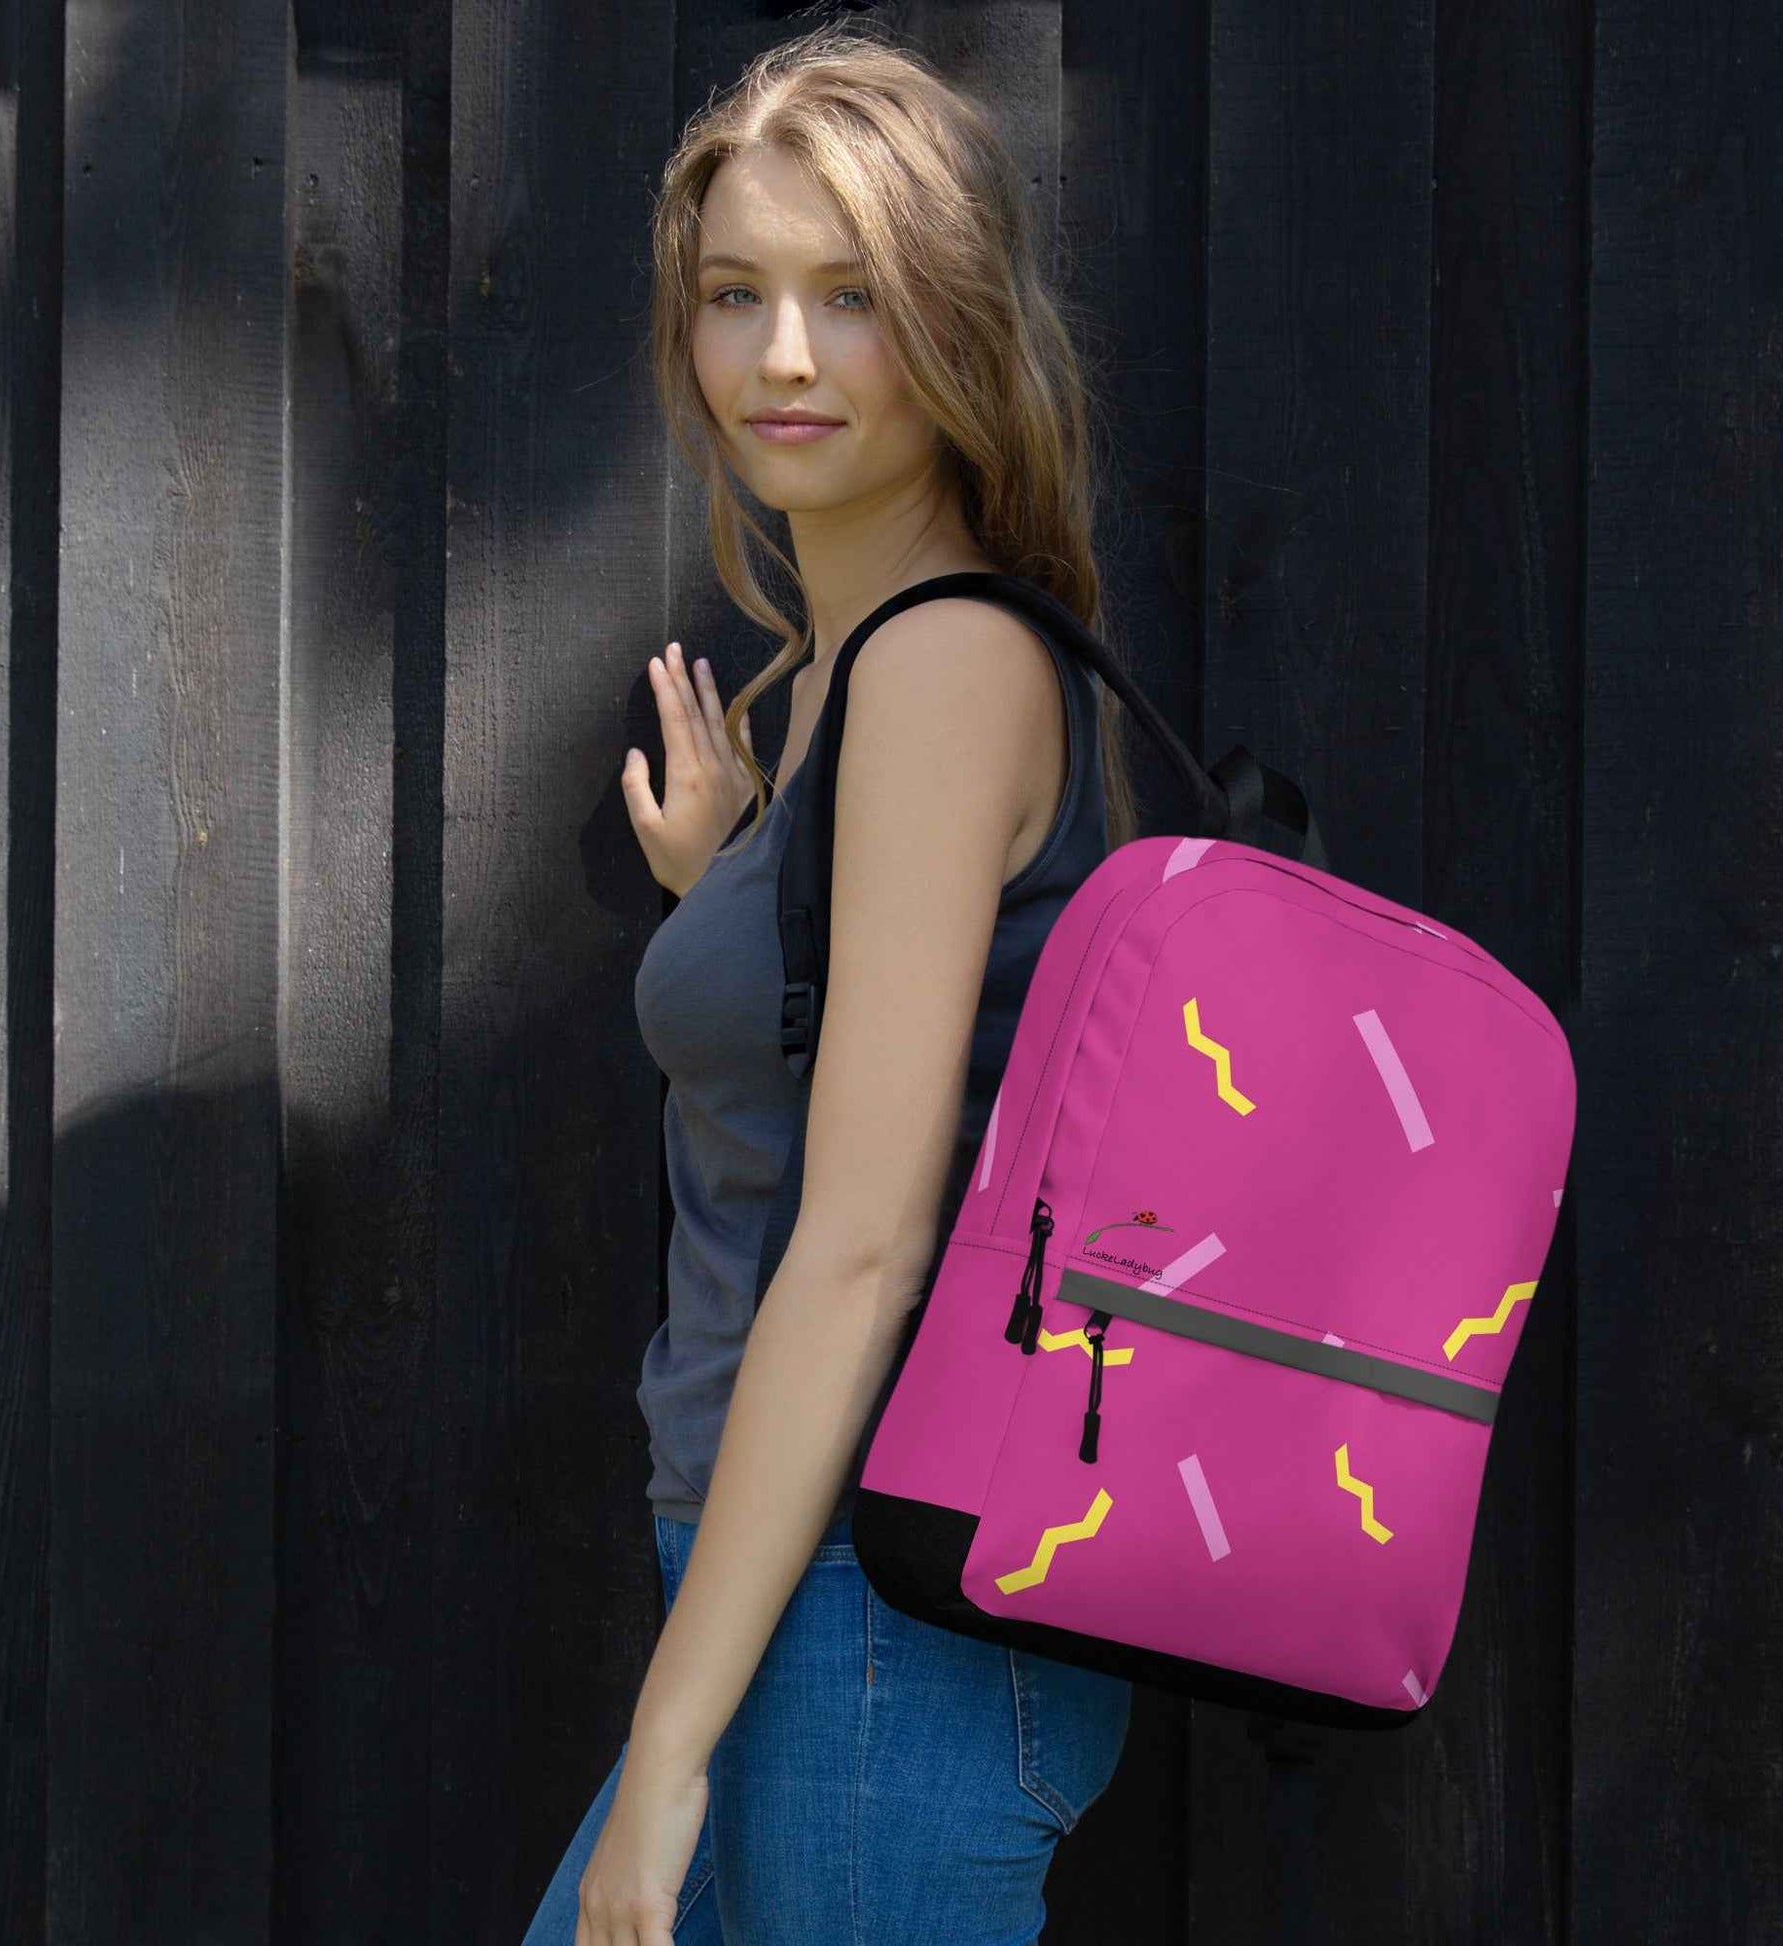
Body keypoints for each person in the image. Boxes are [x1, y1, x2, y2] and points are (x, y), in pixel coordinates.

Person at [521, 23, 1144, 1945]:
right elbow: (866, 1088)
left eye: (849, 297)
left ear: (952, 328)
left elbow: (868, 1242)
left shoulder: (945, 670)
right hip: (795, 1590)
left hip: (873, 1624)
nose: (778, 357)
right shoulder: (844, 679)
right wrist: (736, 890)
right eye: (735, 296)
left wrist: (672, 1747)